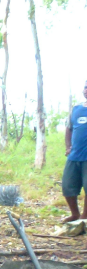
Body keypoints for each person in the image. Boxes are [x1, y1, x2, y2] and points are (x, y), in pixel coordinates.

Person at [63, 80, 87, 223]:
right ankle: (75, 214)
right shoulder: (76, 109)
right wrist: (68, 146)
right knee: (67, 186)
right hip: (75, 156)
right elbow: (69, 128)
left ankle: (85, 217)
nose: (86, 90)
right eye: (85, 87)